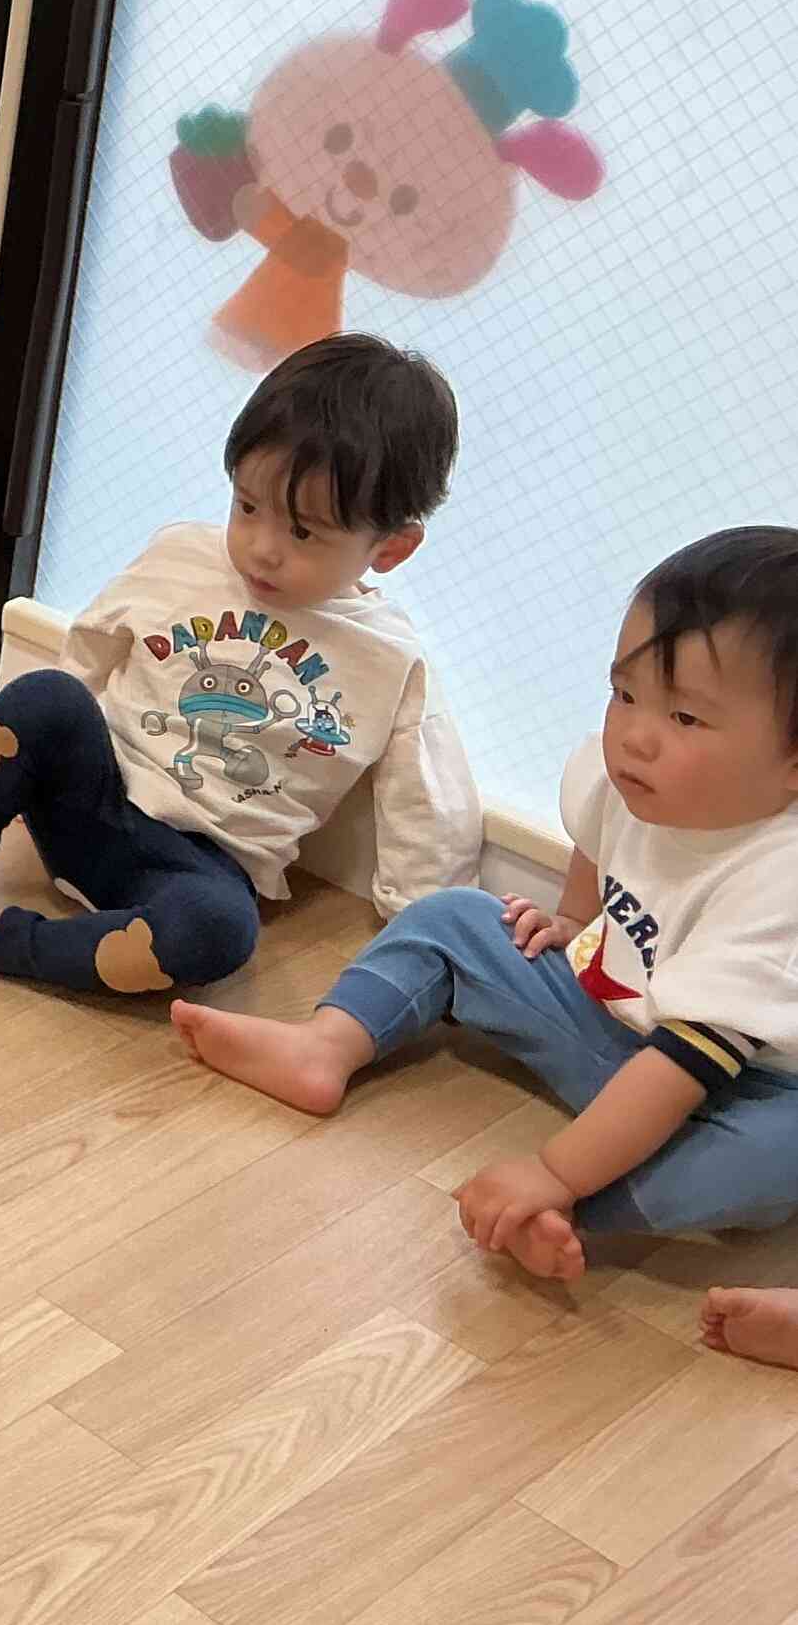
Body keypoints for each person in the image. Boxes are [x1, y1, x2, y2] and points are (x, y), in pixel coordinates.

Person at [179, 528, 798, 1287]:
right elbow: (596, 833)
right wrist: (575, 921)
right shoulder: (639, 777)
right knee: (455, 917)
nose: (635, 736)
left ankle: (574, 1212)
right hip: (618, 1030)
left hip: (735, 1088)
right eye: (626, 694)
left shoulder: (779, 885)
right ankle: (326, 1045)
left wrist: (553, 1173)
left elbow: (685, 1067)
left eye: (687, 719)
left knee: (773, 1156)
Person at [0, 332, 479, 994]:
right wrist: (29, 759)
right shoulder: (183, 556)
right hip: (91, 797)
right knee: (42, 695)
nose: (262, 547)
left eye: (303, 532)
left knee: (221, 932)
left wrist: (423, 931)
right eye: (247, 506)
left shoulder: (390, 659)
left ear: (391, 548)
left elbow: (428, 807)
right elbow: (87, 651)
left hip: (196, 870)